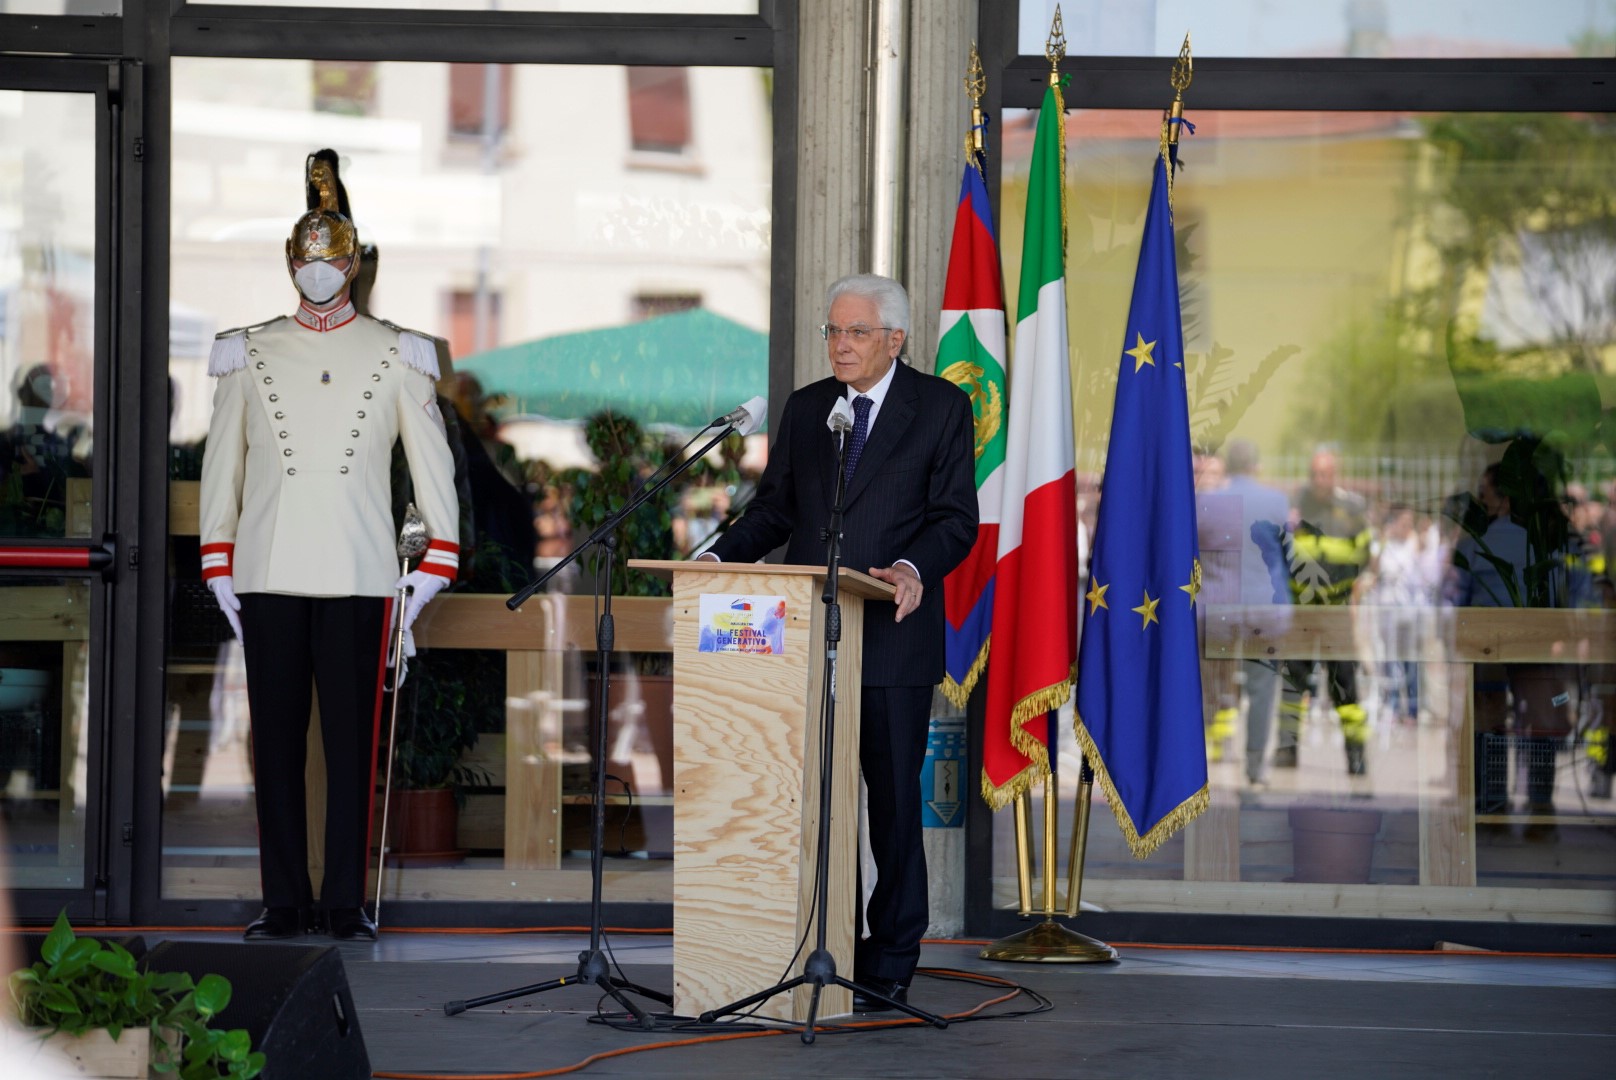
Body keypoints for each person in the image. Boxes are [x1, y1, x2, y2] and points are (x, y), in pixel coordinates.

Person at [200, 150, 460, 941]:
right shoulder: (247, 350)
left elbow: (433, 468)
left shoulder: (399, 351)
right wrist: (218, 560)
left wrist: (433, 566)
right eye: (306, 258)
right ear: (290, 261)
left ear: (352, 263)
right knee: (275, 748)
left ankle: (344, 903)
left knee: (352, 750)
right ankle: (284, 902)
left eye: (331, 257)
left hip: (359, 569)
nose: (318, 271)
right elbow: (222, 468)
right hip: (270, 568)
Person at [699, 274, 976, 1010]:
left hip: (890, 640)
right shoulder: (807, 407)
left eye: (855, 332)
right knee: (813, 803)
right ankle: (828, 944)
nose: (840, 345)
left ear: (895, 338)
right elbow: (776, 511)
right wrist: (718, 559)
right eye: (832, 331)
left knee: (891, 809)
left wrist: (913, 568)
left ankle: (890, 959)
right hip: (804, 640)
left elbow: (955, 518)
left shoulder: (940, 407)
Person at [1281, 446, 1372, 775]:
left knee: (1345, 684)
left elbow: (1365, 555)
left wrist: (1348, 590)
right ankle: (1286, 751)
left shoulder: (1352, 511)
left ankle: (1356, 755)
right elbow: (1278, 552)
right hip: (1301, 611)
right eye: (1315, 474)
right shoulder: (1294, 507)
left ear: (1335, 476)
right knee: (1293, 682)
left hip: (1336, 611)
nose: (1320, 480)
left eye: (1326, 474)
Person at [1222, 439, 1293, 788]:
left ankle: (1194, 762)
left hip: (1220, 608)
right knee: (1262, 689)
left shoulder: (1210, 501)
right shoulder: (1276, 502)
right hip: (1266, 608)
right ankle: (1254, 766)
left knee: (1210, 687)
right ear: (1255, 465)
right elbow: (1288, 554)